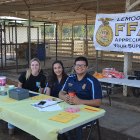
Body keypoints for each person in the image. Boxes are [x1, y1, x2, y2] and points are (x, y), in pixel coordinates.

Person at [59, 56, 102, 140]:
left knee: (75, 124)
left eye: (83, 65)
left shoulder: (92, 81)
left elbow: (98, 102)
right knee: (57, 118)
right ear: (74, 67)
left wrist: (80, 101)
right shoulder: (70, 78)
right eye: (78, 65)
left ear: (86, 67)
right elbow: (61, 93)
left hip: (88, 112)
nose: (80, 67)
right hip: (70, 109)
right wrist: (64, 97)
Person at [8, 58, 46, 135]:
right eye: (32, 65)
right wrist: (22, 97)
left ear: (39, 66)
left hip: (34, 98)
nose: (34, 67)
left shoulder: (42, 77)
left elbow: (41, 91)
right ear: (30, 66)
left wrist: (37, 99)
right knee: (14, 111)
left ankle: (32, 128)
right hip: (23, 96)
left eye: (36, 65)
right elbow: (19, 87)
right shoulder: (25, 74)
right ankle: (11, 127)